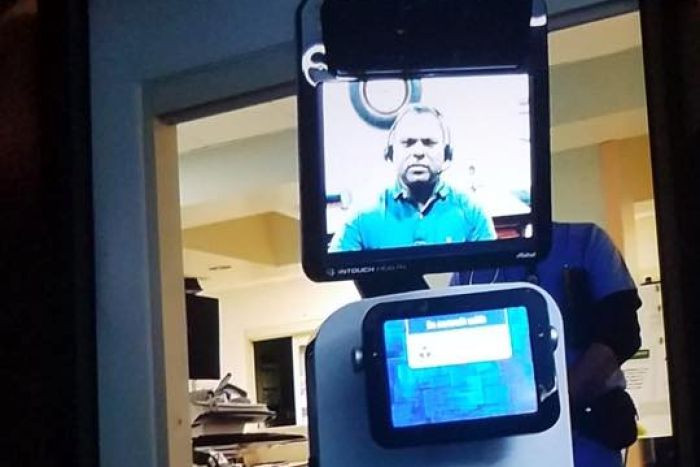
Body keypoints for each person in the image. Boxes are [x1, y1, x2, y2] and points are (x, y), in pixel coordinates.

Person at [451, 222, 642, 467]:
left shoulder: (585, 240)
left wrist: (555, 408)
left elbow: (621, 333)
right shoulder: (467, 266)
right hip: (504, 447)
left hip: (585, 439)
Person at [329, 104, 496, 252]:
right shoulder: (361, 215)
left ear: (447, 154)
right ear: (390, 153)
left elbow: (489, 273)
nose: (418, 152)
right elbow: (336, 273)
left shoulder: (473, 213)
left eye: (429, 142)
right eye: (408, 143)